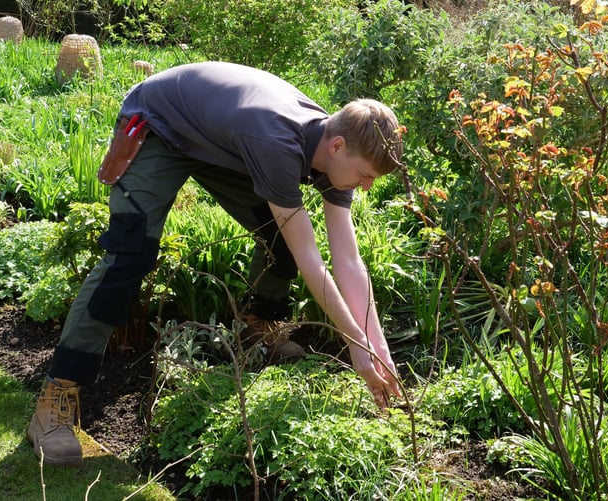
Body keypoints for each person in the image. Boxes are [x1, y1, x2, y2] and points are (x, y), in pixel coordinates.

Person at [26, 61, 404, 466]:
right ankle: (58, 395)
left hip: (217, 139)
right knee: (130, 253)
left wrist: (378, 351)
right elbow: (313, 259)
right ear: (337, 147)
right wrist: (354, 347)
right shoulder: (277, 141)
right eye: (365, 175)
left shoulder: (333, 152)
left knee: (280, 239)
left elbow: (348, 261)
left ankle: (257, 330)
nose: (366, 187)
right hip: (160, 123)